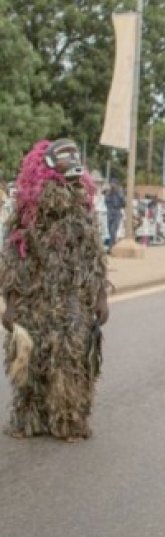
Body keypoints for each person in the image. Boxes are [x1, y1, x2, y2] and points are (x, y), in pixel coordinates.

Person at [1, 139, 109, 441]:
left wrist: (100, 297)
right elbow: (13, 259)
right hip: (34, 299)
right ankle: (29, 418)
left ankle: (68, 419)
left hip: (73, 300)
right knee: (30, 359)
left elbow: (94, 256)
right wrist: (10, 303)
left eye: (75, 156)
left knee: (70, 361)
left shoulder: (83, 210)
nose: (72, 161)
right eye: (64, 157)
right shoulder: (26, 213)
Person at [105, 182, 125, 253]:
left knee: (113, 230)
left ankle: (111, 248)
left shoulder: (119, 194)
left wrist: (120, 195)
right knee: (110, 231)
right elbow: (106, 202)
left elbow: (123, 203)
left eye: (114, 185)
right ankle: (114, 246)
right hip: (110, 213)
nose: (112, 186)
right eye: (111, 185)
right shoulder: (108, 194)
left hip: (117, 213)